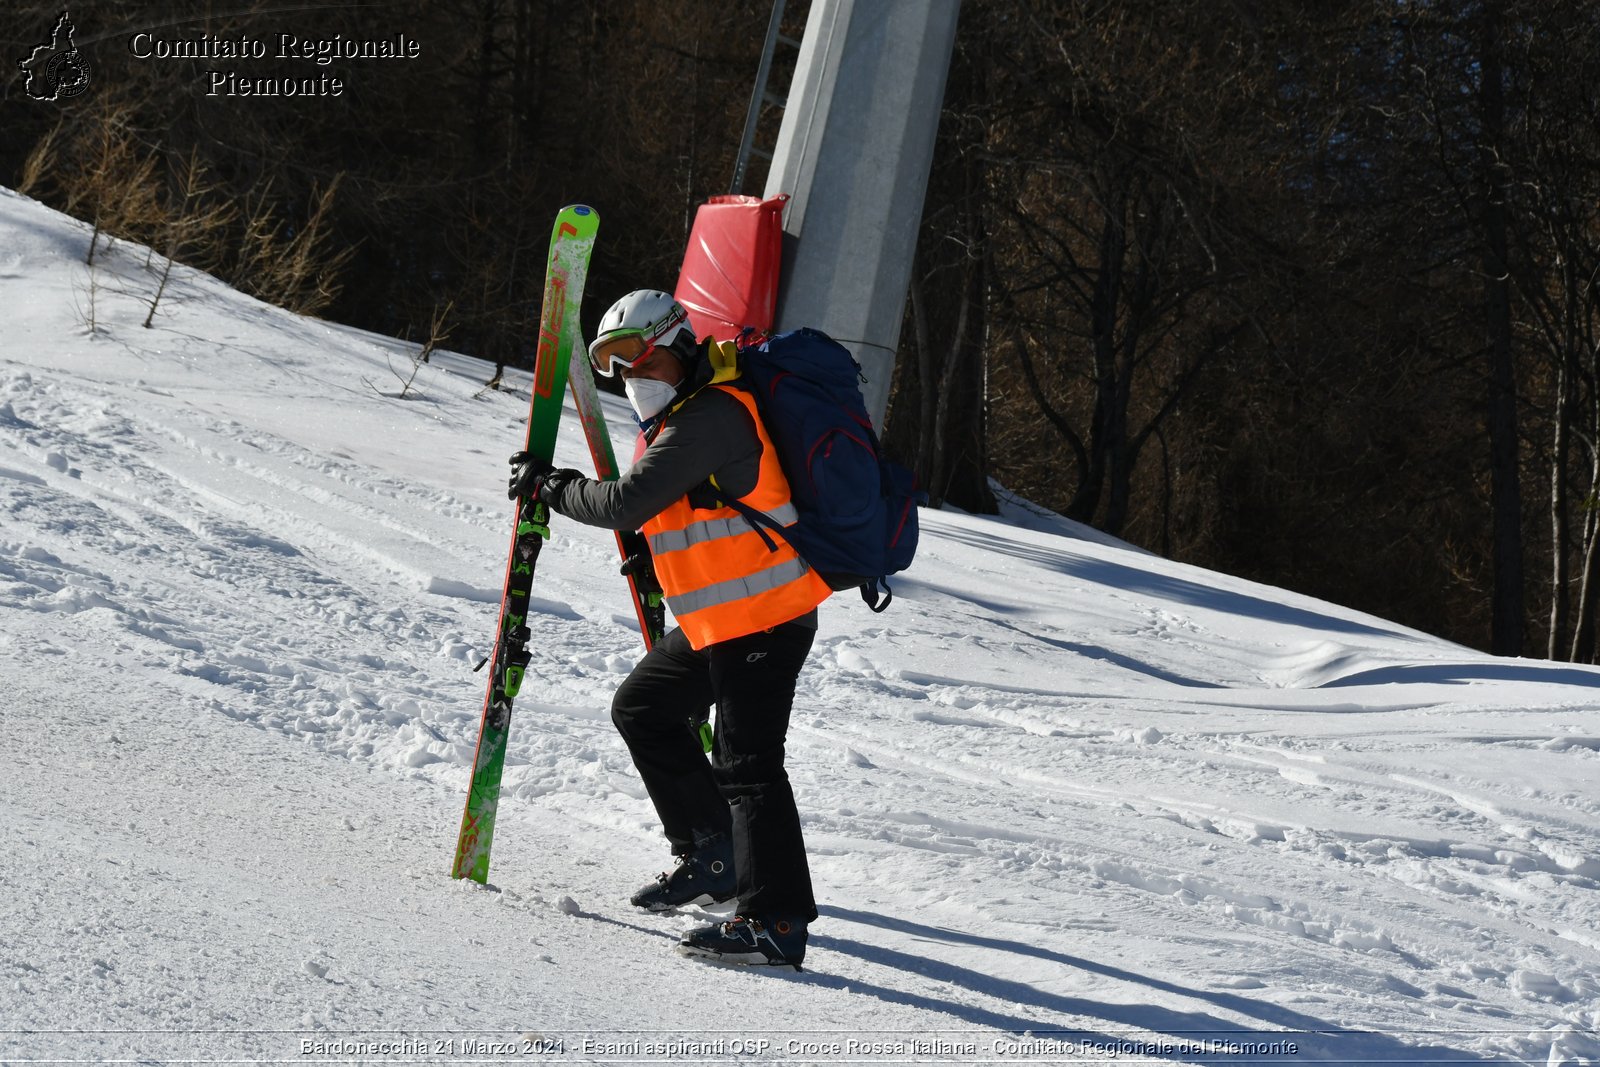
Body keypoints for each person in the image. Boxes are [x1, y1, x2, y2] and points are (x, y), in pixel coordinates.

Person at [506, 289, 832, 969]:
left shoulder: (712, 414)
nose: (628, 376)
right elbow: (697, 516)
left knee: (749, 767)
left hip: (767, 620)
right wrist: (656, 561)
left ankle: (775, 923)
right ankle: (714, 851)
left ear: (677, 346)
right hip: (721, 622)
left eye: (635, 356)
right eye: (613, 367)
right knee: (644, 708)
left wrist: (553, 487)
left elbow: (628, 498)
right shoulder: (679, 420)